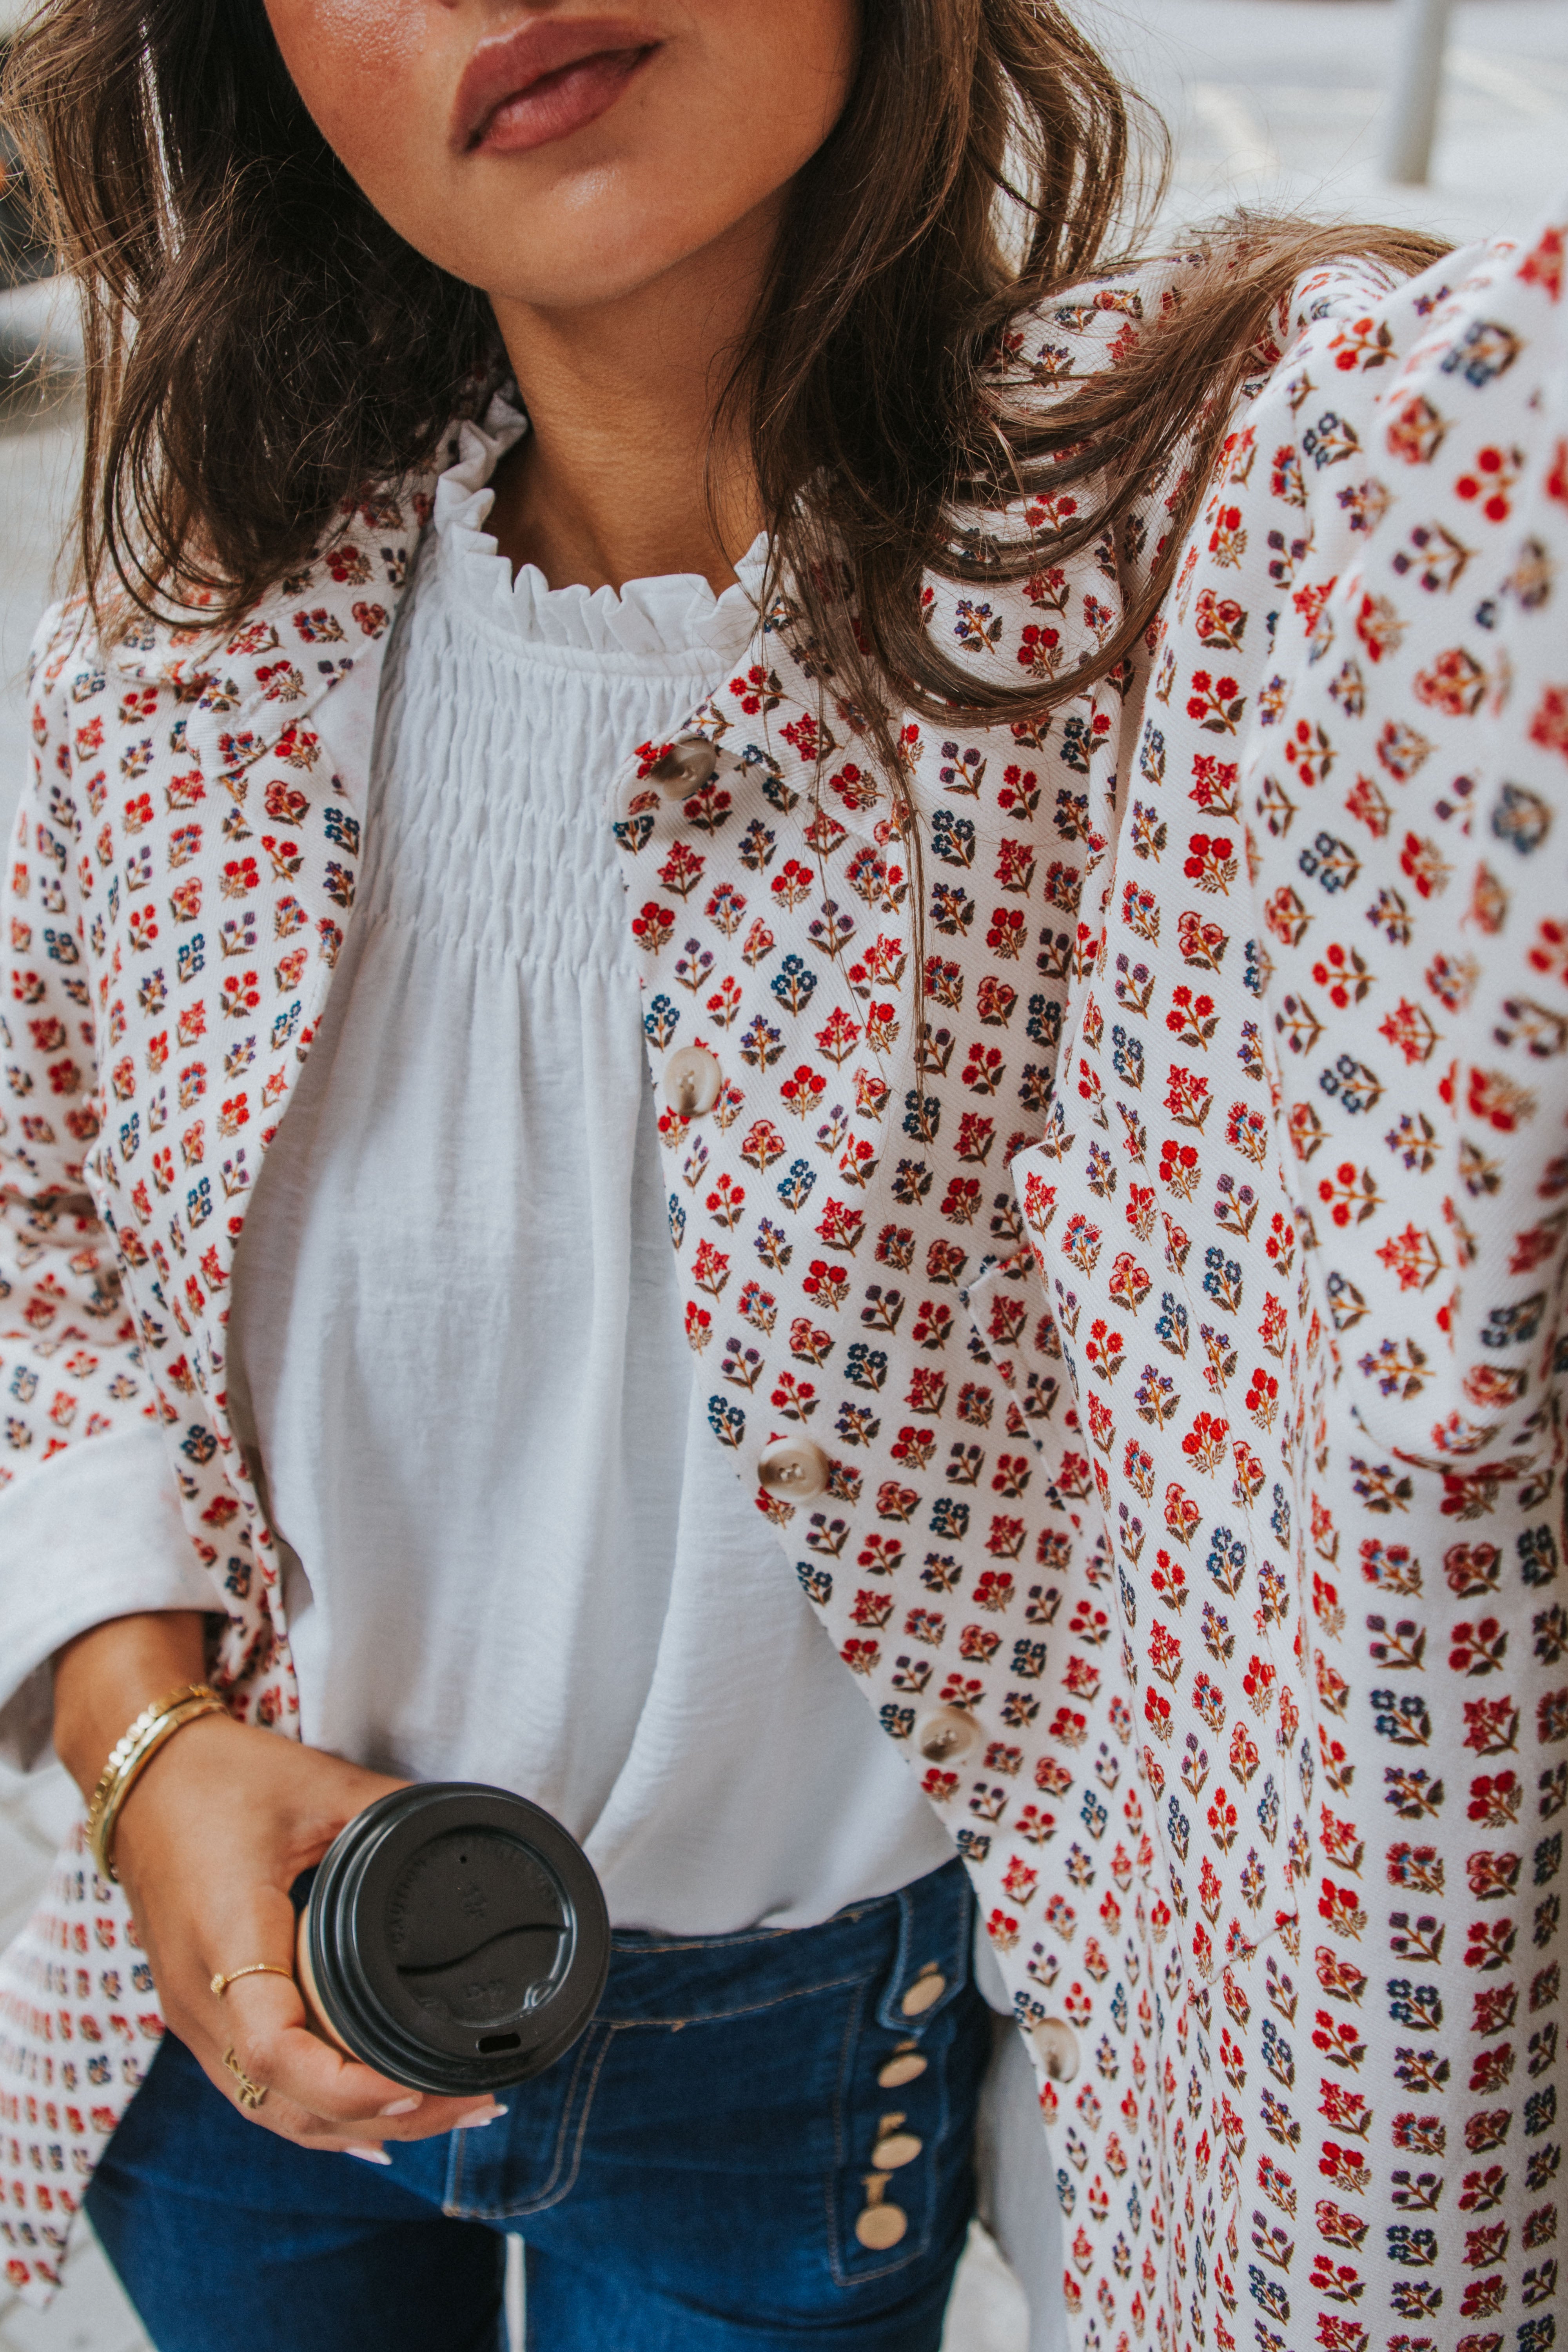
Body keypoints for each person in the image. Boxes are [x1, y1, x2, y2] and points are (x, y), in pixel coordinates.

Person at [3, 3, 1544, 2349]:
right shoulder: (191, 632)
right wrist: (143, 1740)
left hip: (793, 2074)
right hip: (216, 2016)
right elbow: (37, 1222)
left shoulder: (1215, 556)